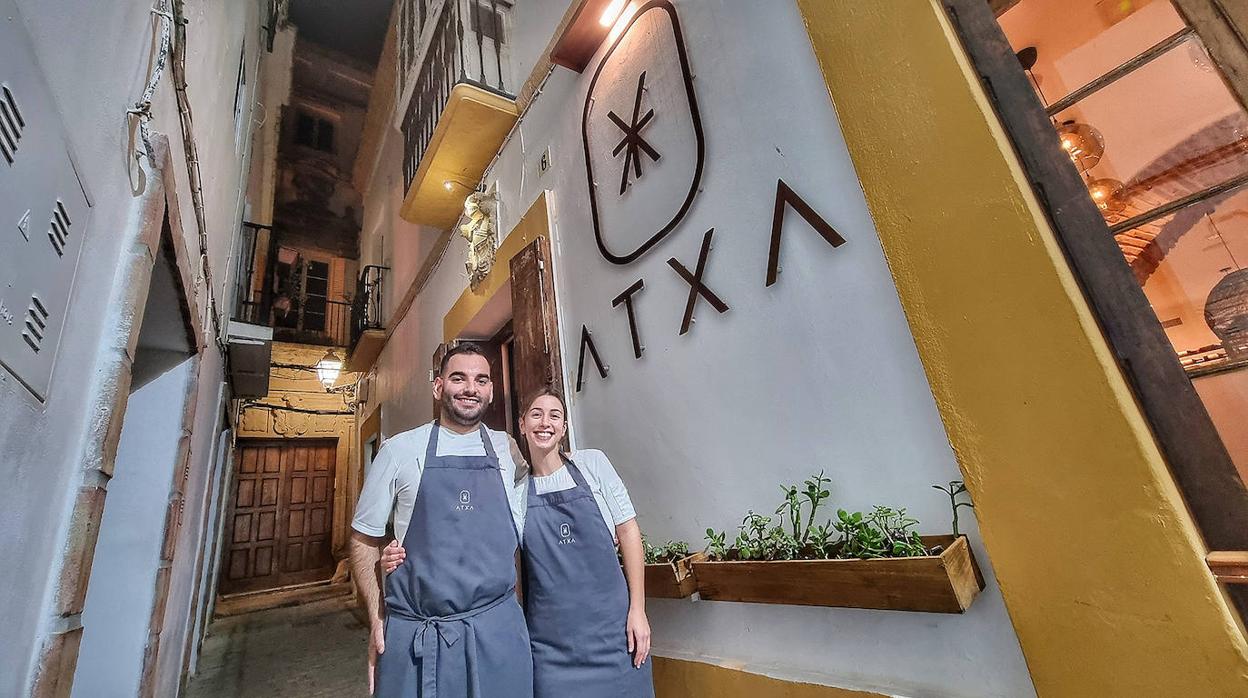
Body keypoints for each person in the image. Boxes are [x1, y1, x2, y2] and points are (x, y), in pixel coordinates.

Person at [383, 387, 654, 697]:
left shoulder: (593, 465)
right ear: (523, 425)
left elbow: (629, 532)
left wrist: (638, 611)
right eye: (536, 414)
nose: (545, 422)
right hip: (551, 650)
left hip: (617, 634)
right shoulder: (516, 492)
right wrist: (398, 550)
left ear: (563, 428)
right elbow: (483, 542)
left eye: (555, 416)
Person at [349, 342, 533, 698]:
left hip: (498, 633)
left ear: (491, 391)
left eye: (481, 380)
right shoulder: (399, 451)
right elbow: (363, 539)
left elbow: (524, 524)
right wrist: (376, 618)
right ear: (438, 386)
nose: (470, 388)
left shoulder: (507, 449)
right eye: (458, 378)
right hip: (419, 637)